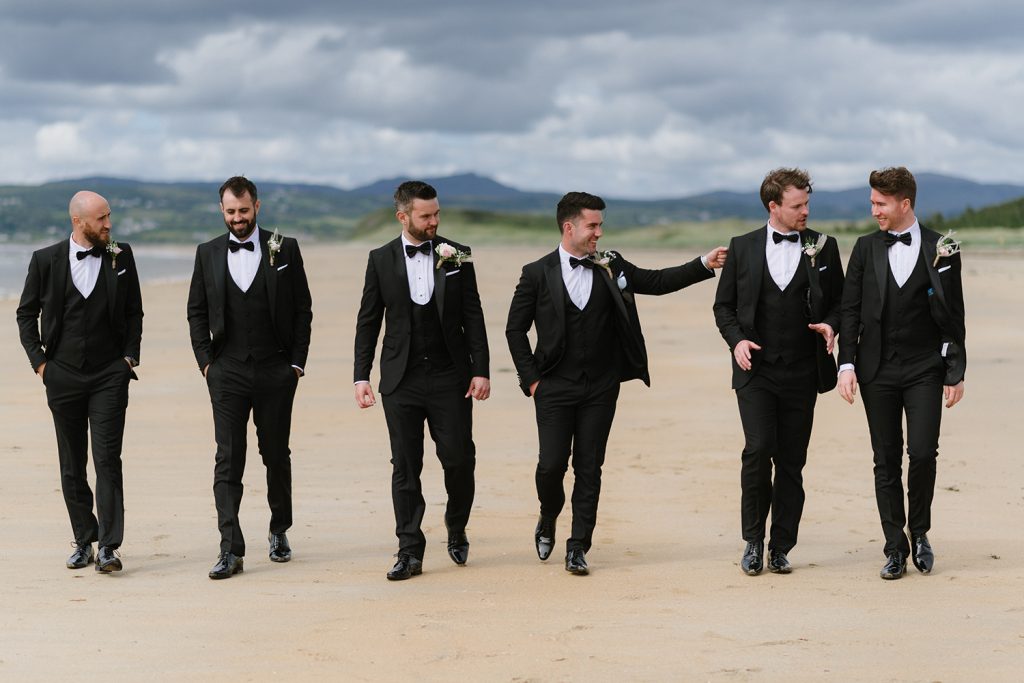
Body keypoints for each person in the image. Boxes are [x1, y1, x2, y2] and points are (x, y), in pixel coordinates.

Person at [505, 191, 727, 575]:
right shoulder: (536, 273)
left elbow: (656, 282)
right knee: (551, 466)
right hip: (554, 387)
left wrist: (703, 264)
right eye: (593, 225)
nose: (599, 234)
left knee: (590, 466)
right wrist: (533, 381)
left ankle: (578, 547)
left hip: (601, 387)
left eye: (601, 225)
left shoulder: (612, 264)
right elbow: (514, 330)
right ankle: (548, 514)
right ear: (569, 226)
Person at [353, 180, 490, 581]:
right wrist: (361, 375)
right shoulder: (380, 259)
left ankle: (456, 525)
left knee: (459, 459)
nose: (433, 222)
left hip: (451, 375)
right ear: (403, 216)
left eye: (437, 214)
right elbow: (368, 321)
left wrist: (480, 368)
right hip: (401, 379)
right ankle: (409, 550)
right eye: (425, 215)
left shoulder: (457, 254)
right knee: (405, 466)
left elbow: (473, 316)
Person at [712, 168, 844, 576]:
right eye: (798, 205)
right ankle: (753, 541)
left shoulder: (824, 246)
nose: (806, 211)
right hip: (756, 372)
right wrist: (736, 341)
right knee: (757, 451)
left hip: (803, 371)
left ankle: (781, 546)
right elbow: (724, 307)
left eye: (807, 204)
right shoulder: (743, 247)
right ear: (774, 206)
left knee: (791, 461)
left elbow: (841, 302)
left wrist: (832, 325)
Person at [838, 166, 966, 580]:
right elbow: (850, 311)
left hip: (925, 368)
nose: (874, 209)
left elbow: (954, 314)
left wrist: (955, 370)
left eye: (880, 203)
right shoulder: (863, 248)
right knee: (886, 460)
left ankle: (921, 532)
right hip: (876, 370)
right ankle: (894, 547)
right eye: (872, 202)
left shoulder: (942, 247)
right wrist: (847, 364)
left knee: (924, 453)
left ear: (904, 203)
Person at [187, 176, 313, 580]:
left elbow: (302, 310)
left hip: (276, 370)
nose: (237, 219)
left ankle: (279, 530)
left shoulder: (285, 248)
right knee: (228, 458)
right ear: (221, 211)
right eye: (230, 212)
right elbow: (197, 312)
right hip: (227, 371)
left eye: (243, 211)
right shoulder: (206, 253)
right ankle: (231, 548)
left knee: (275, 454)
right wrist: (207, 363)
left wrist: (295, 364)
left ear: (257, 207)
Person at [17, 190, 143, 573]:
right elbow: (25, 315)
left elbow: (134, 311)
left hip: (109, 374)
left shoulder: (122, 255)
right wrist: (41, 365)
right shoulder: (45, 261)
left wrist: (128, 359)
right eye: (101, 218)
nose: (108, 224)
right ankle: (83, 539)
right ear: (78, 221)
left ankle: (108, 546)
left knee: (107, 459)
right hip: (63, 375)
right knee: (71, 463)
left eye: (109, 216)